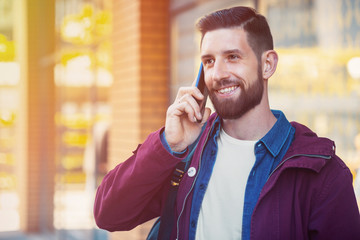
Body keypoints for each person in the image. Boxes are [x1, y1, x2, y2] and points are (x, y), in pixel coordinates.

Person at [93, 6, 360, 240]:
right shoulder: (185, 154)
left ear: (267, 64)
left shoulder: (321, 173)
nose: (218, 74)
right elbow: (109, 214)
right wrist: (168, 145)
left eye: (232, 57)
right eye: (209, 61)